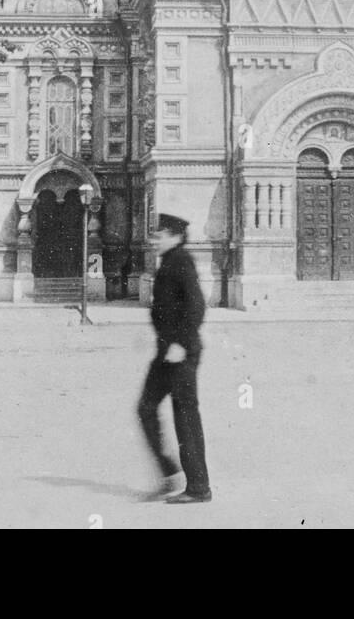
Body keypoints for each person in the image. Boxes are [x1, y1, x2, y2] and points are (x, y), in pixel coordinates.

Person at [137, 213, 211, 503]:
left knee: (185, 416)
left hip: (180, 351)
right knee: (145, 408)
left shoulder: (181, 260)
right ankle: (169, 473)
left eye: (161, 234)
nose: (156, 239)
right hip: (167, 351)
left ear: (176, 236)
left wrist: (180, 343)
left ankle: (198, 488)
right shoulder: (169, 261)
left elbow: (197, 305)